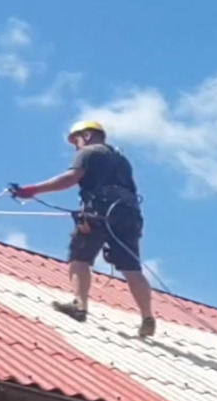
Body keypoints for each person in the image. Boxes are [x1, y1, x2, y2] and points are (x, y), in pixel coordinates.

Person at [10, 120, 156, 336]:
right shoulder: (122, 159)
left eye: (76, 140)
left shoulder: (89, 152)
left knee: (80, 257)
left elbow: (70, 178)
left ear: (87, 135)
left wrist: (32, 190)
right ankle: (147, 316)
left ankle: (80, 306)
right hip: (128, 215)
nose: (75, 146)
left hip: (99, 211)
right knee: (132, 269)